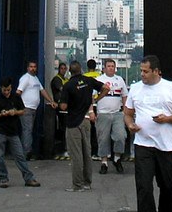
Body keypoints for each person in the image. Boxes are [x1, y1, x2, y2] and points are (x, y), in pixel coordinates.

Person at [123, 55, 172, 212]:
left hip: (165, 146)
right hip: (143, 144)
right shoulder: (136, 88)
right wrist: (130, 124)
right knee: (144, 186)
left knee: (167, 186)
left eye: (146, 71)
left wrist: (167, 118)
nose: (142, 74)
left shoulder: (170, 87)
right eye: (141, 71)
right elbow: (128, 113)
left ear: (156, 71)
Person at [59, 60, 107, 191]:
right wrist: (96, 99)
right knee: (87, 152)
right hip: (86, 120)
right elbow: (106, 88)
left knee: (76, 154)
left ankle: (77, 184)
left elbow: (63, 105)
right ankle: (87, 182)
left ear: (70, 71)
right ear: (80, 69)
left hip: (73, 122)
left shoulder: (68, 85)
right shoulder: (88, 81)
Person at [0, 76, 41, 189]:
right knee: (0, 156)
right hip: (0, 131)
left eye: (8, 90)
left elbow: (22, 111)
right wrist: (1, 114)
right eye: (4, 90)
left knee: (20, 155)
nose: (7, 92)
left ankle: (28, 178)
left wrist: (15, 112)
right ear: (0, 88)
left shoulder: (16, 98)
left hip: (13, 132)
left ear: (11, 87)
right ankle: (3, 178)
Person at [16, 60, 57, 159]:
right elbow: (18, 92)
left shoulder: (35, 79)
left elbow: (42, 91)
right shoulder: (25, 78)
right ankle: (25, 153)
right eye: (31, 67)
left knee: (28, 130)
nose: (33, 68)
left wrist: (51, 101)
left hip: (33, 109)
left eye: (34, 67)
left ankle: (26, 151)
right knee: (27, 130)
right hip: (26, 108)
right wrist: (18, 105)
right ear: (27, 68)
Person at [95, 58, 129, 174]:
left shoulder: (119, 80)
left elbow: (124, 96)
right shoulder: (99, 80)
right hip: (103, 113)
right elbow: (92, 97)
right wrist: (91, 111)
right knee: (103, 138)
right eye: (108, 66)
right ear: (104, 68)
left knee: (120, 136)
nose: (111, 68)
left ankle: (117, 158)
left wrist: (125, 111)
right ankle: (104, 162)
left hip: (117, 113)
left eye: (112, 66)